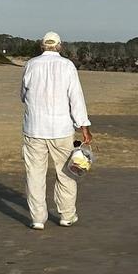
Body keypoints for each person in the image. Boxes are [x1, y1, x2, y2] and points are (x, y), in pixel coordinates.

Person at [19, 31, 92, 230]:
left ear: (43, 46)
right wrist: (84, 127)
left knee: (34, 175)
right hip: (61, 129)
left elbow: (23, 95)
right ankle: (67, 215)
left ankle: (37, 218)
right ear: (59, 46)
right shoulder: (67, 66)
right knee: (66, 173)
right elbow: (76, 99)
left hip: (34, 128)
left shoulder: (31, 64)